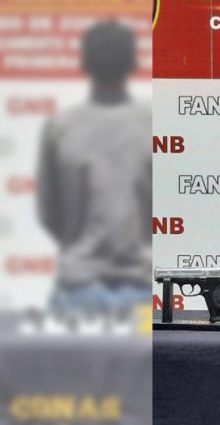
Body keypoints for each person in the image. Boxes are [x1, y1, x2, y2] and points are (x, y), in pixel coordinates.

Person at [37, 21, 152, 313]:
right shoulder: (153, 125)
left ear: (85, 63)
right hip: (140, 285)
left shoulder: (60, 127)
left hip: (76, 285)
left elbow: (49, 213)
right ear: (131, 63)